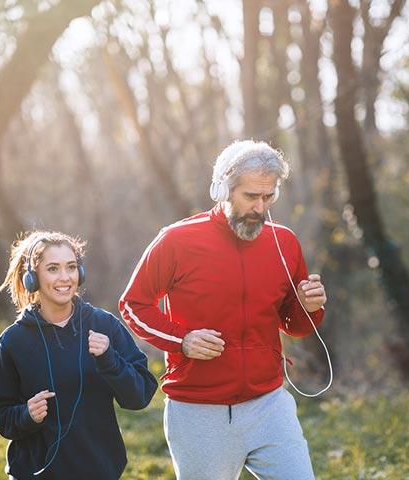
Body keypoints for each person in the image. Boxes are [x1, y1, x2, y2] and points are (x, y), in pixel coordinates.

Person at [119, 140, 327, 480]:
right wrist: (182, 339)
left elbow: (295, 324)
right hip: (199, 410)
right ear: (221, 189)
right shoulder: (176, 240)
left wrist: (308, 308)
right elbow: (133, 304)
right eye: (250, 196)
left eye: (268, 197)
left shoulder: (284, 242)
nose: (260, 208)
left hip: (268, 404)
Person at [0, 231, 158, 479]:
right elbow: (0, 414)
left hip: (99, 472)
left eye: (71, 267)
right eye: (53, 269)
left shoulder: (104, 326)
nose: (65, 278)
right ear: (32, 278)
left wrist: (110, 360)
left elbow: (140, 396)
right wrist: (26, 415)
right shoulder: (12, 341)